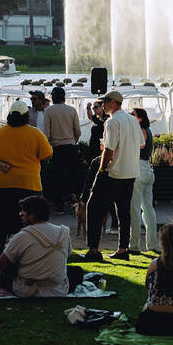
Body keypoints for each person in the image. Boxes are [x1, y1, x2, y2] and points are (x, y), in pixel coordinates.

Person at [0, 100, 53, 257]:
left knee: (0, 223)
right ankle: (31, 253)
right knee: (32, 224)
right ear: (26, 116)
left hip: (3, 184)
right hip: (30, 184)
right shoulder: (36, 133)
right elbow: (47, 154)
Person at [84, 90, 145, 262]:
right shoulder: (133, 120)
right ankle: (122, 249)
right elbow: (141, 144)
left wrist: (102, 169)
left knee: (94, 208)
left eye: (105, 102)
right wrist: (124, 148)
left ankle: (94, 250)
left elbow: (109, 149)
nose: (103, 105)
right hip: (131, 172)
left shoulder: (112, 122)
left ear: (112, 103)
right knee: (123, 212)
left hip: (113, 172)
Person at [0, 195, 76, 297]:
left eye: (23, 213)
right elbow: (67, 255)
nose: (21, 215)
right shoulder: (63, 232)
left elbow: (0, 265)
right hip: (58, 290)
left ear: (32, 215)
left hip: (29, 290)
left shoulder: (22, 235)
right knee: (75, 271)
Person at [44, 86, 81, 214]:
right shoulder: (72, 110)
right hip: (70, 146)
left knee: (57, 177)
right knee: (73, 176)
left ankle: (59, 205)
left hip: (56, 148)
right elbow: (78, 131)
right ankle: (76, 203)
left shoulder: (48, 111)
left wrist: (49, 147)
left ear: (54, 96)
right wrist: (73, 142)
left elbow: (46, 134)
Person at [129, 108, 158, 254]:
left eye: (132, 114)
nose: (130, 116)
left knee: (134, 208)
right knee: (148, 209)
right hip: (147, 168)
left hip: (139, 168)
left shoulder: (140, 130)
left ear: (139, 118)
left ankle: (133, 245)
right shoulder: (148, 130)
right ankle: (152, 244)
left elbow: (139, 146)